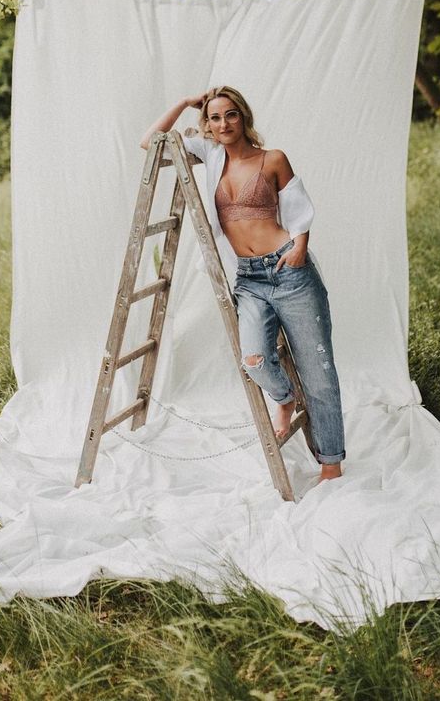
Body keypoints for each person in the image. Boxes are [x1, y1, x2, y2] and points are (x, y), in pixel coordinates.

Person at [140, 86, 345, 482]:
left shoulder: (273, 159)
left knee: (318, 371)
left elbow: (299, 208)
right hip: (249, 279)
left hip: (291, 274)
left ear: (243, 116)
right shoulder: (209, 155)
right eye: (214, 117)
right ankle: (285, 399)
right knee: (253, 359)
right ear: (207, 124)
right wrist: (184, 103)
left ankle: (331, 463)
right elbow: (150, 143)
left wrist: (300, 246)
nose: (223, 124)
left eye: (230, 115)